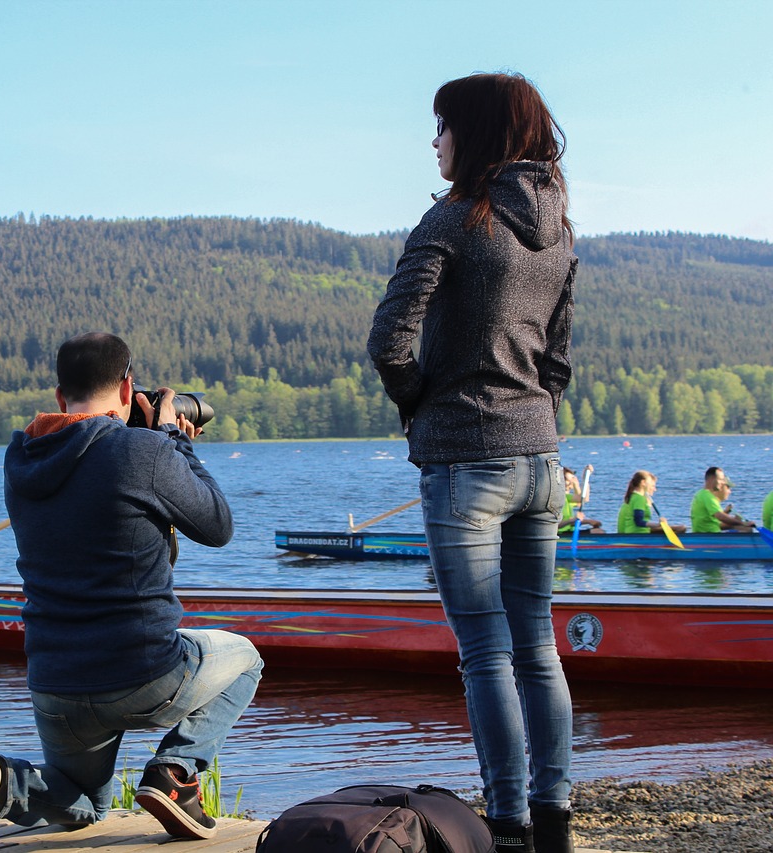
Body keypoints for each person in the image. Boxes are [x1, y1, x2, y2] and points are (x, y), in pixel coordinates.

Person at [0, 332, 263, 853]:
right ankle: (174, 773)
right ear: (128, 386)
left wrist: (149, 442)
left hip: (56, 684)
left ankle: (10, 785)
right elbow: (218, 525)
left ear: (58, 395)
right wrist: (173, 441)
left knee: (84, 805)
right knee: (246, 658)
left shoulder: (20, 457)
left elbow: (89, 468)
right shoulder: (144, 450)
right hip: (145, 675)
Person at [367, 72, 577, 853]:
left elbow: (389, 340)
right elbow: (557, 361)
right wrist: (534, 418)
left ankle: (510, 823)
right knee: (538, 645)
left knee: (486, 651)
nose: (435, 142)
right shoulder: (560, 229)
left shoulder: (453, 220)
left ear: (476, 132)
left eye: (442, 126)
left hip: (466, 459)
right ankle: (553, 820)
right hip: (541, 459)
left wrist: (421, 403)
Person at [616, 471, 686, 535]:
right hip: (639, 533)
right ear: (643, 482)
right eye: (652, 486)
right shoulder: (639, 498)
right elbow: (638, 521)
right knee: (681, 528)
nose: (655, 489)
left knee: (680, 528)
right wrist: (659, 525)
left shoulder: (633, 497)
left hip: (638, 531)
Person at [690, 467, 756, 533]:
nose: (723, 483)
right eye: (721, 479)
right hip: (711, 537)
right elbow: (720, 516)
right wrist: (742, 523)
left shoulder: (701, 494)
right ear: (712, 479)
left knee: (744, 528)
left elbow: (712, 520)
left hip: (710, 534)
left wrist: (727, 514)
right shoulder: (708, 496)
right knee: (747, 529)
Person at [558, 465, 603, 534]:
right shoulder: (554, 500)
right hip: (558, 534)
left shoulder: (566, 497)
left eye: (573, 480)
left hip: (569, 531)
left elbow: (582, 499)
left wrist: (585, 478)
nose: (571, 483)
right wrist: (574, 520)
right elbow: (553, 526)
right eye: (568, 481)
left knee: (599, 531)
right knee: (598, 532)